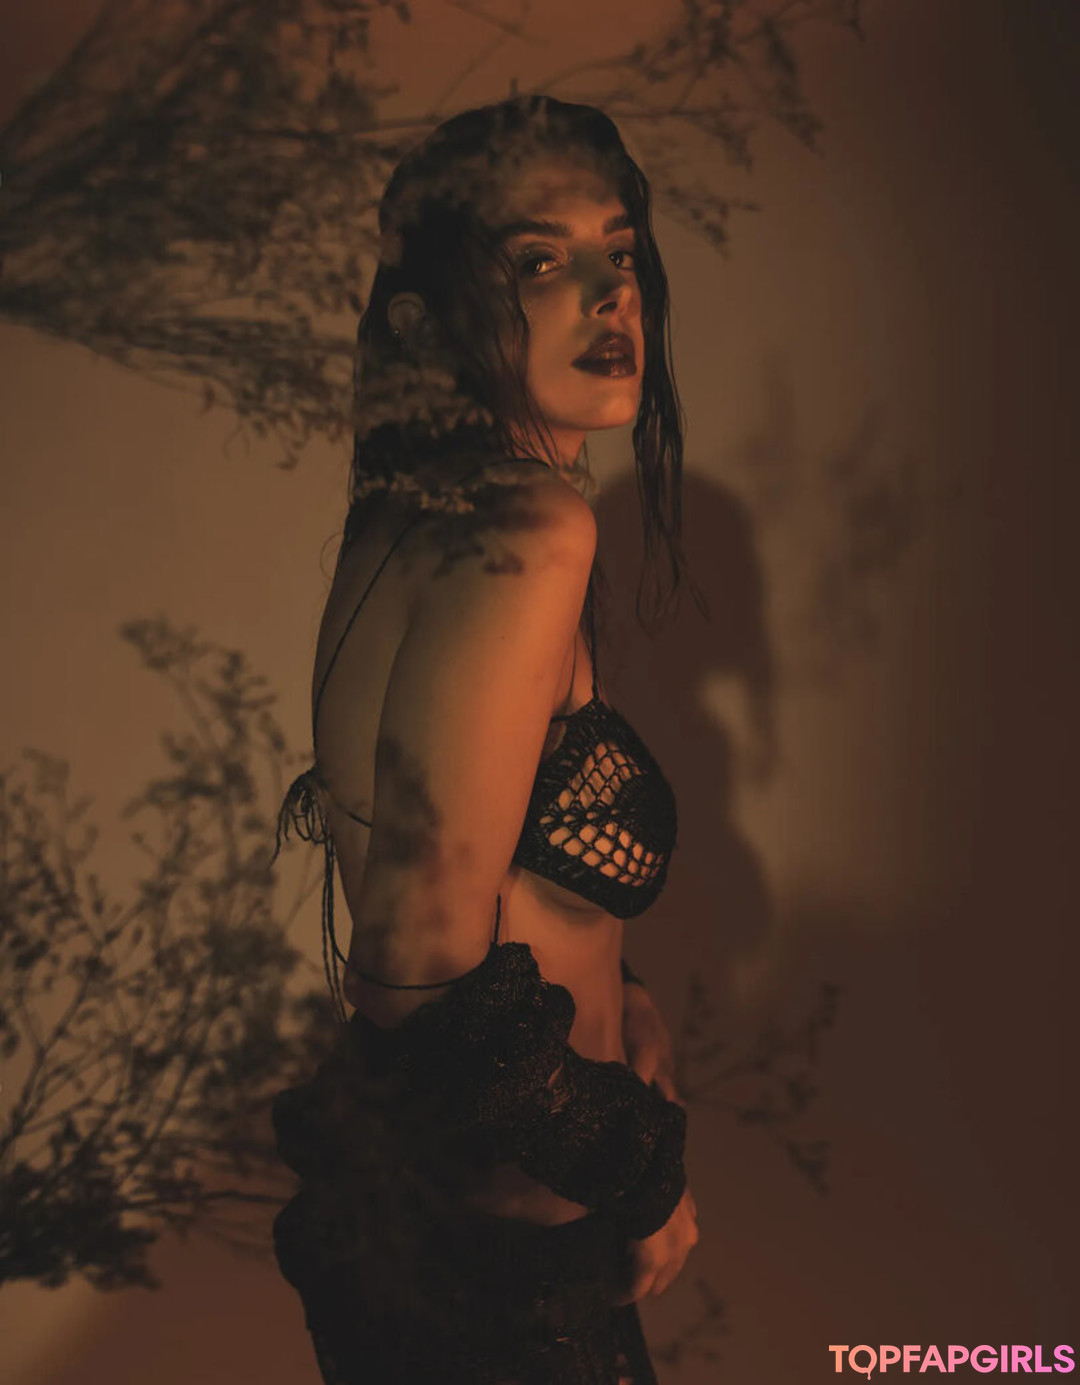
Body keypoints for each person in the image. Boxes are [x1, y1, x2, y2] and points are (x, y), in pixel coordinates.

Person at [271, 95, 698, 1385]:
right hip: (504, 1280)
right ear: (425, 319)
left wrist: (626, 1003)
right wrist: (642, 1172)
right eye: (538, 261)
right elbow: (415, 971)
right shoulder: (530, 530)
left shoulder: (411, 517)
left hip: (449, 1248)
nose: (609, 294)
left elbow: (485, 856)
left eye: (618, 251)